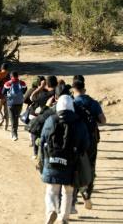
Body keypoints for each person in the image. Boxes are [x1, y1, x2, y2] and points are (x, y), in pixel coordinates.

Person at [40, 95, 89, 224]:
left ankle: (51, 211)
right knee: (68, 192)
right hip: (71, 164)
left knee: (51, 191)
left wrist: (42, 161)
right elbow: (86, 144)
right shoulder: (79, 123)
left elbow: (43, 140)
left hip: (52, 162)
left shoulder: (50, 120)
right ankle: (64, 218)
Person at [72, 77, 106, 211]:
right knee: (90, 168)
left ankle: (73, 201)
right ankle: (87, 194)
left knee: (74, 168)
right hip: (91, 141)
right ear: (84, 89)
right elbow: (103, 121)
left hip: (75, 140)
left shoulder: (73, 103)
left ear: (74, 90)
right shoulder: (93, 103)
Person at [2, 71, 27, 141]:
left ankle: (14, 135)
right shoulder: (22, 83)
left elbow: (3, 92)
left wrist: (8, 96)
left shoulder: (7, 83)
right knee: (16, 118)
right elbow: (25, 90)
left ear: (11, 76)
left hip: (10, 103)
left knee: (12, 119)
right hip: (19, 103)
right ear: (17, 76)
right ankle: (14, 133)